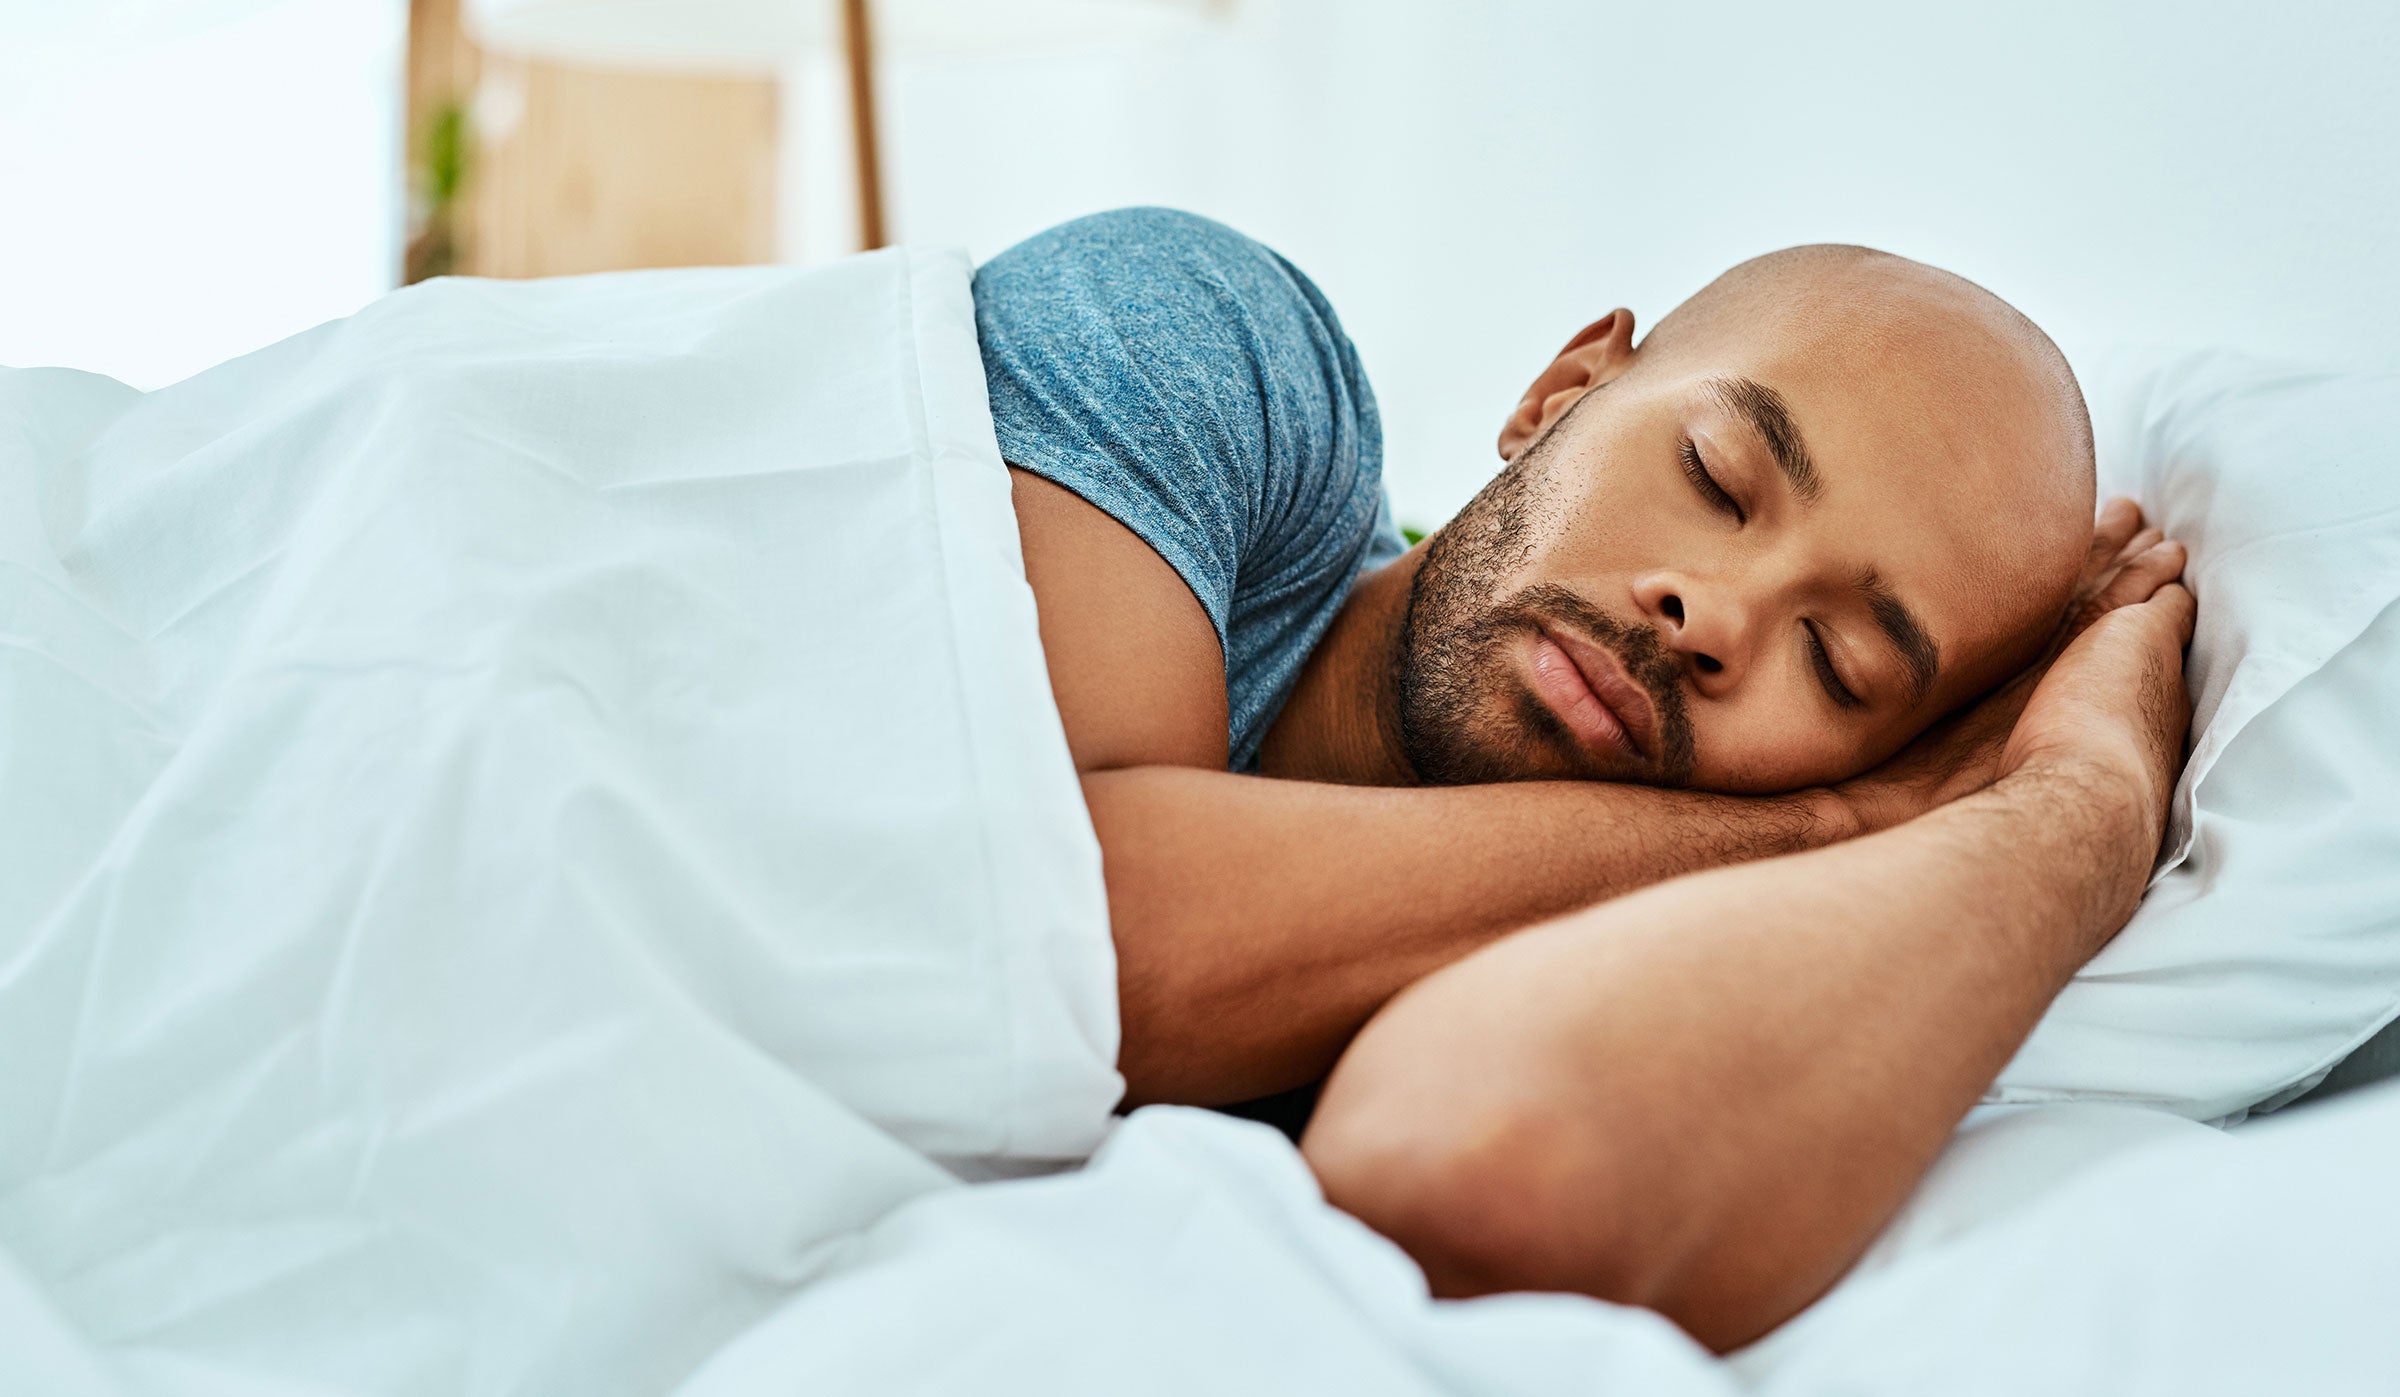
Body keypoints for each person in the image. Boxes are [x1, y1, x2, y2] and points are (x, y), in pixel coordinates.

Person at [978, 207, 2193, 1348]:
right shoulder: (1201, 344)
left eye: (1841, 664)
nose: (1711, 615)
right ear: (1560, 392)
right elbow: (1068, 941)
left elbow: (1481, 1173)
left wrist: (2086, 804)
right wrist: (1845, 817)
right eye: (1716, 478)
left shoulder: (1625, 936)